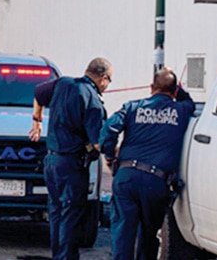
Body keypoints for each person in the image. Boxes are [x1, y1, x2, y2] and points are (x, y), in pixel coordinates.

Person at [100, 67, 196, 260]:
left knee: (122, 236)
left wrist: (110, 157)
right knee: (149, 237)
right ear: (174, 92)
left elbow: (108, 130)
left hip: (126, 177)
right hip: (155, 182)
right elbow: (190, 103)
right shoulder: (181, 110)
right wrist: (178, 89)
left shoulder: (133, 107)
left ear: (151, 87)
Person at [30, 57, 111, 260]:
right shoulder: (93, 101)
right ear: (103, 78)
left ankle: (58, 255)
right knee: (71, 215)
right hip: (72, 164)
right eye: (109, 80)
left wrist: (36, 121)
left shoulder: (63, 83)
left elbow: (38, 94)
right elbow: (98, 143)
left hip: (51, 162)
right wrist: (114, 155)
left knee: (56, 212)